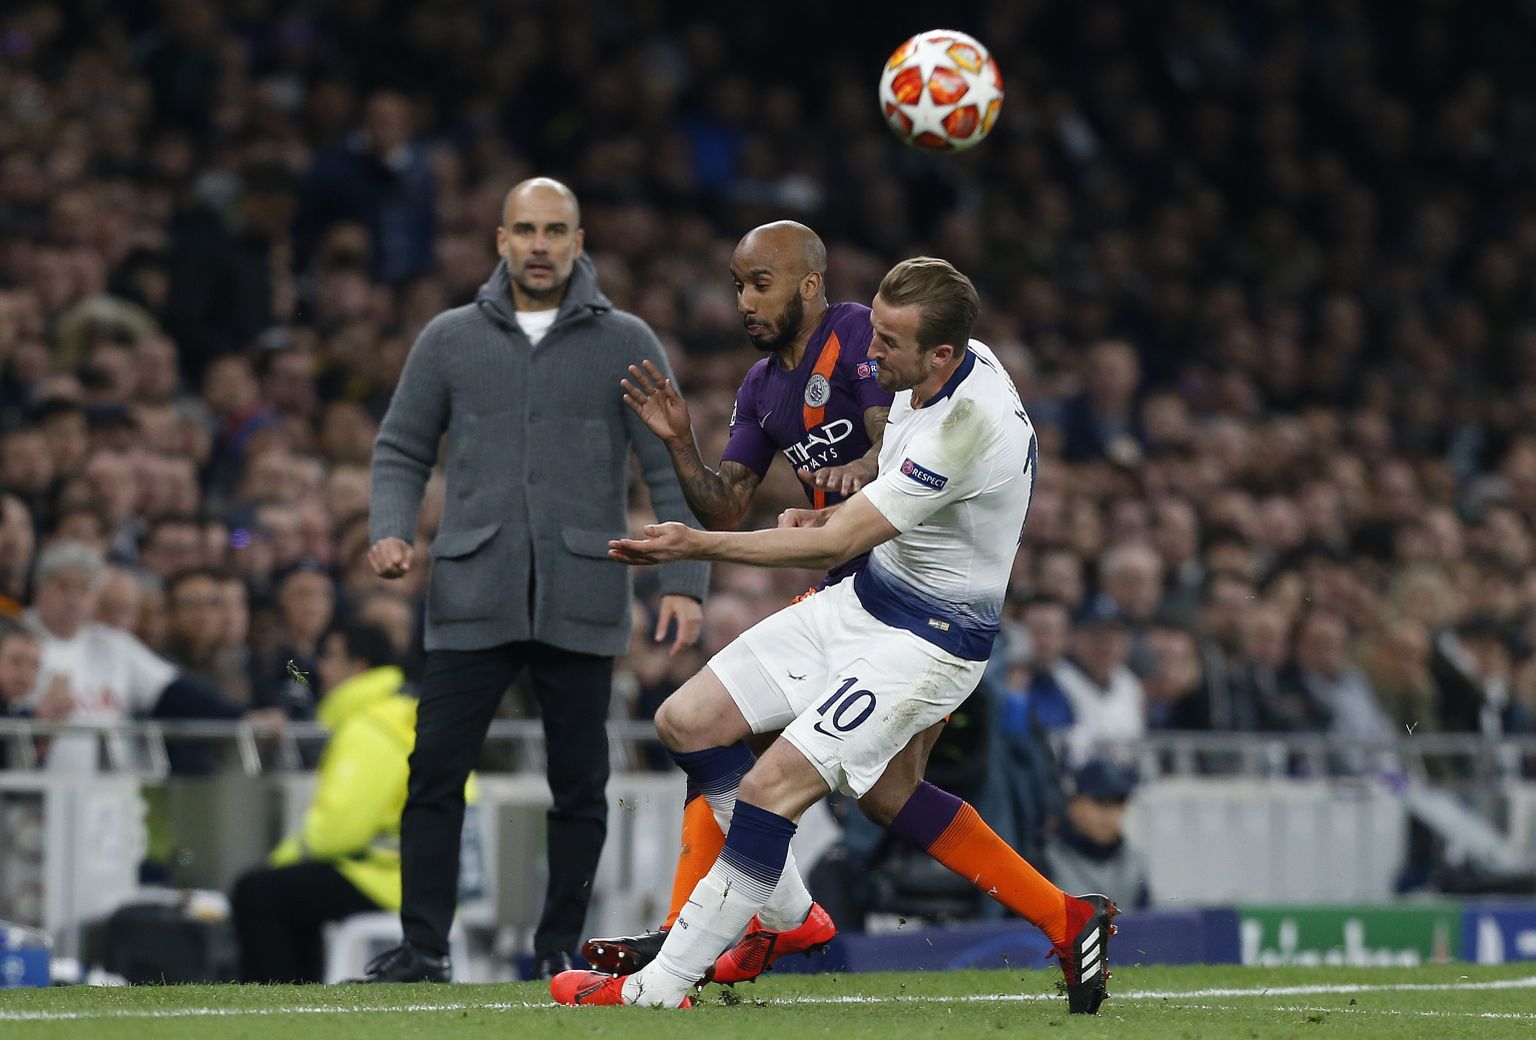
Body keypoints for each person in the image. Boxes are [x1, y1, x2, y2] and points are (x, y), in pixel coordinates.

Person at [552, 257, 1116, 1015]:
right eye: (873, 331)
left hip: (929, 640)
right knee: (691, 721)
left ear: (941, 355)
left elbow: (840, 540)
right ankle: (803, 915)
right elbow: (882, 501)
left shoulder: (966, 424)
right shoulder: (951, 361)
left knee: (771, 789)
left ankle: (663, 984)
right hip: (869, 595)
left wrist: (695, 545)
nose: (868, 355)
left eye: (888, 343)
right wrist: (831, 515)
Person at [364, 177, 709, 982]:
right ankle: (424, 948)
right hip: (470, 591)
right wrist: (389, 528)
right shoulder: (449, 339)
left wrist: (685, 582)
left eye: (555, 230)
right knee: (433, 774)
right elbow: (401, 447)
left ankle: (559, 945)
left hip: (582, 591)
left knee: (581, 784)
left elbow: (670, 463)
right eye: (526, 229)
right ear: (501, 240)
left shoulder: (627, 339)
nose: (540, 245)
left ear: (579, 242)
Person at [231, 622, 476, 983]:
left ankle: (280, 999)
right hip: (439, 877)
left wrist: (282, 859)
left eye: (330, 657)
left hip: (392, 880)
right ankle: (300, 995)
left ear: (358, 667)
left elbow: (337, 833)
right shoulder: (403, 714)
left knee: (257, 892)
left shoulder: (370, 727)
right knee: (290, 894)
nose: (320, 669)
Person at [1041, 758, 1152, 911]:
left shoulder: (1133, 860)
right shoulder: (1045, 858)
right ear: (1074, 803)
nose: (1110, 814)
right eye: (1101, 802)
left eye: (1118, 803)